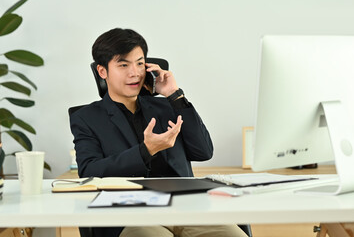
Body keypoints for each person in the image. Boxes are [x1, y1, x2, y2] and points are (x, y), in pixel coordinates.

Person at [70, 28, 248, 237]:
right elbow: (89, 171)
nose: (134, 72)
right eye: (123, 65)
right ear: (102, 72)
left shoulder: (166, 106)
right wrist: (146, 150)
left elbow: (204, 152)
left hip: (185, 210)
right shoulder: (87, 117)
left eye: (139, 63)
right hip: (131, 214)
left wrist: (175, 95)